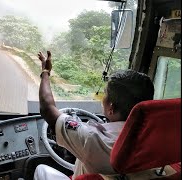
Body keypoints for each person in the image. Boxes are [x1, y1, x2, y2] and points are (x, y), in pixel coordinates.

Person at [34, 51, 154, 180]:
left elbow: (47, 108)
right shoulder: (155, 135)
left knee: (41, 169)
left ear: (111, 108)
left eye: (105, 94)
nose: (103, 98)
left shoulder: (93, 138)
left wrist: (45, 71)